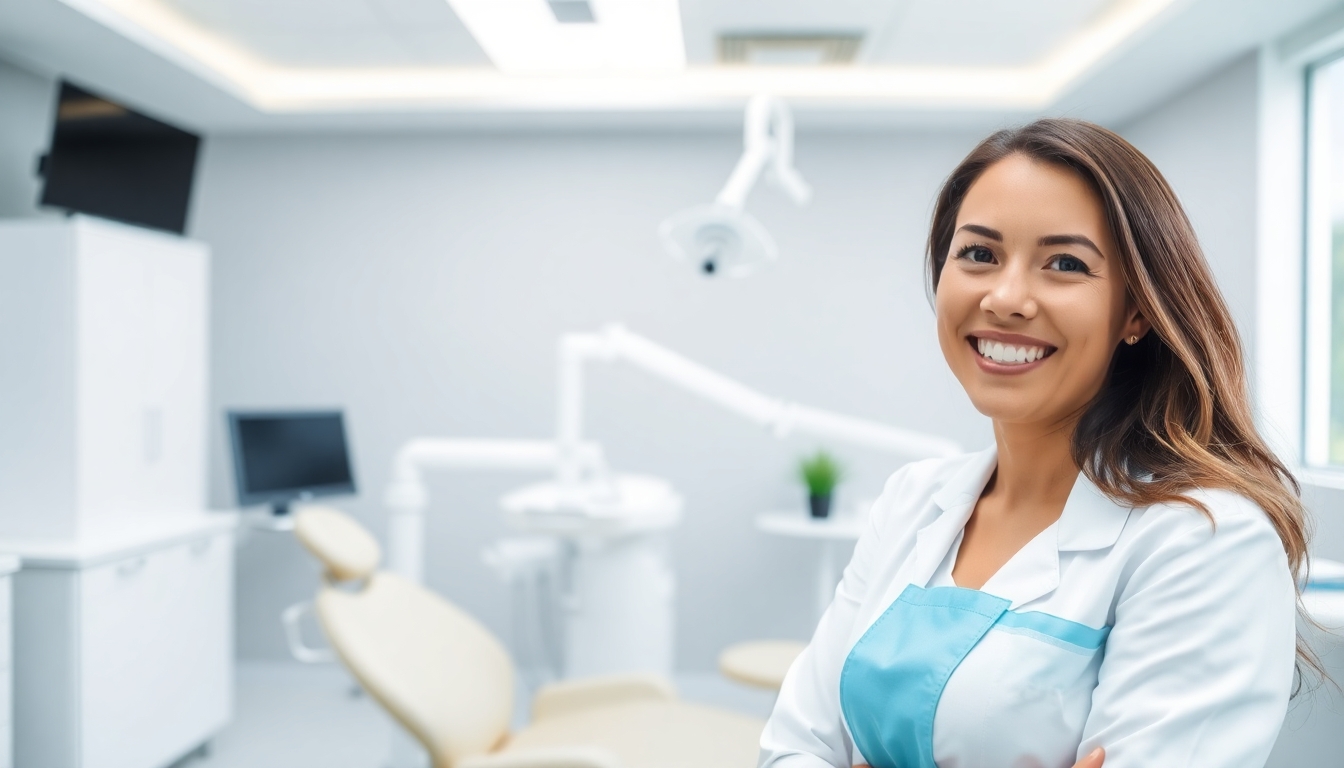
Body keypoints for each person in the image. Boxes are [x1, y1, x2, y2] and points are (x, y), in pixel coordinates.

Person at [758, 119, 1311, 768]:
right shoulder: (911, 501)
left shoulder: (1204, 542)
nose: (1007, 297)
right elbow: (790, 750)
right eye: (979, 254)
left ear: (1136, 311)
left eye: (1065, 264)